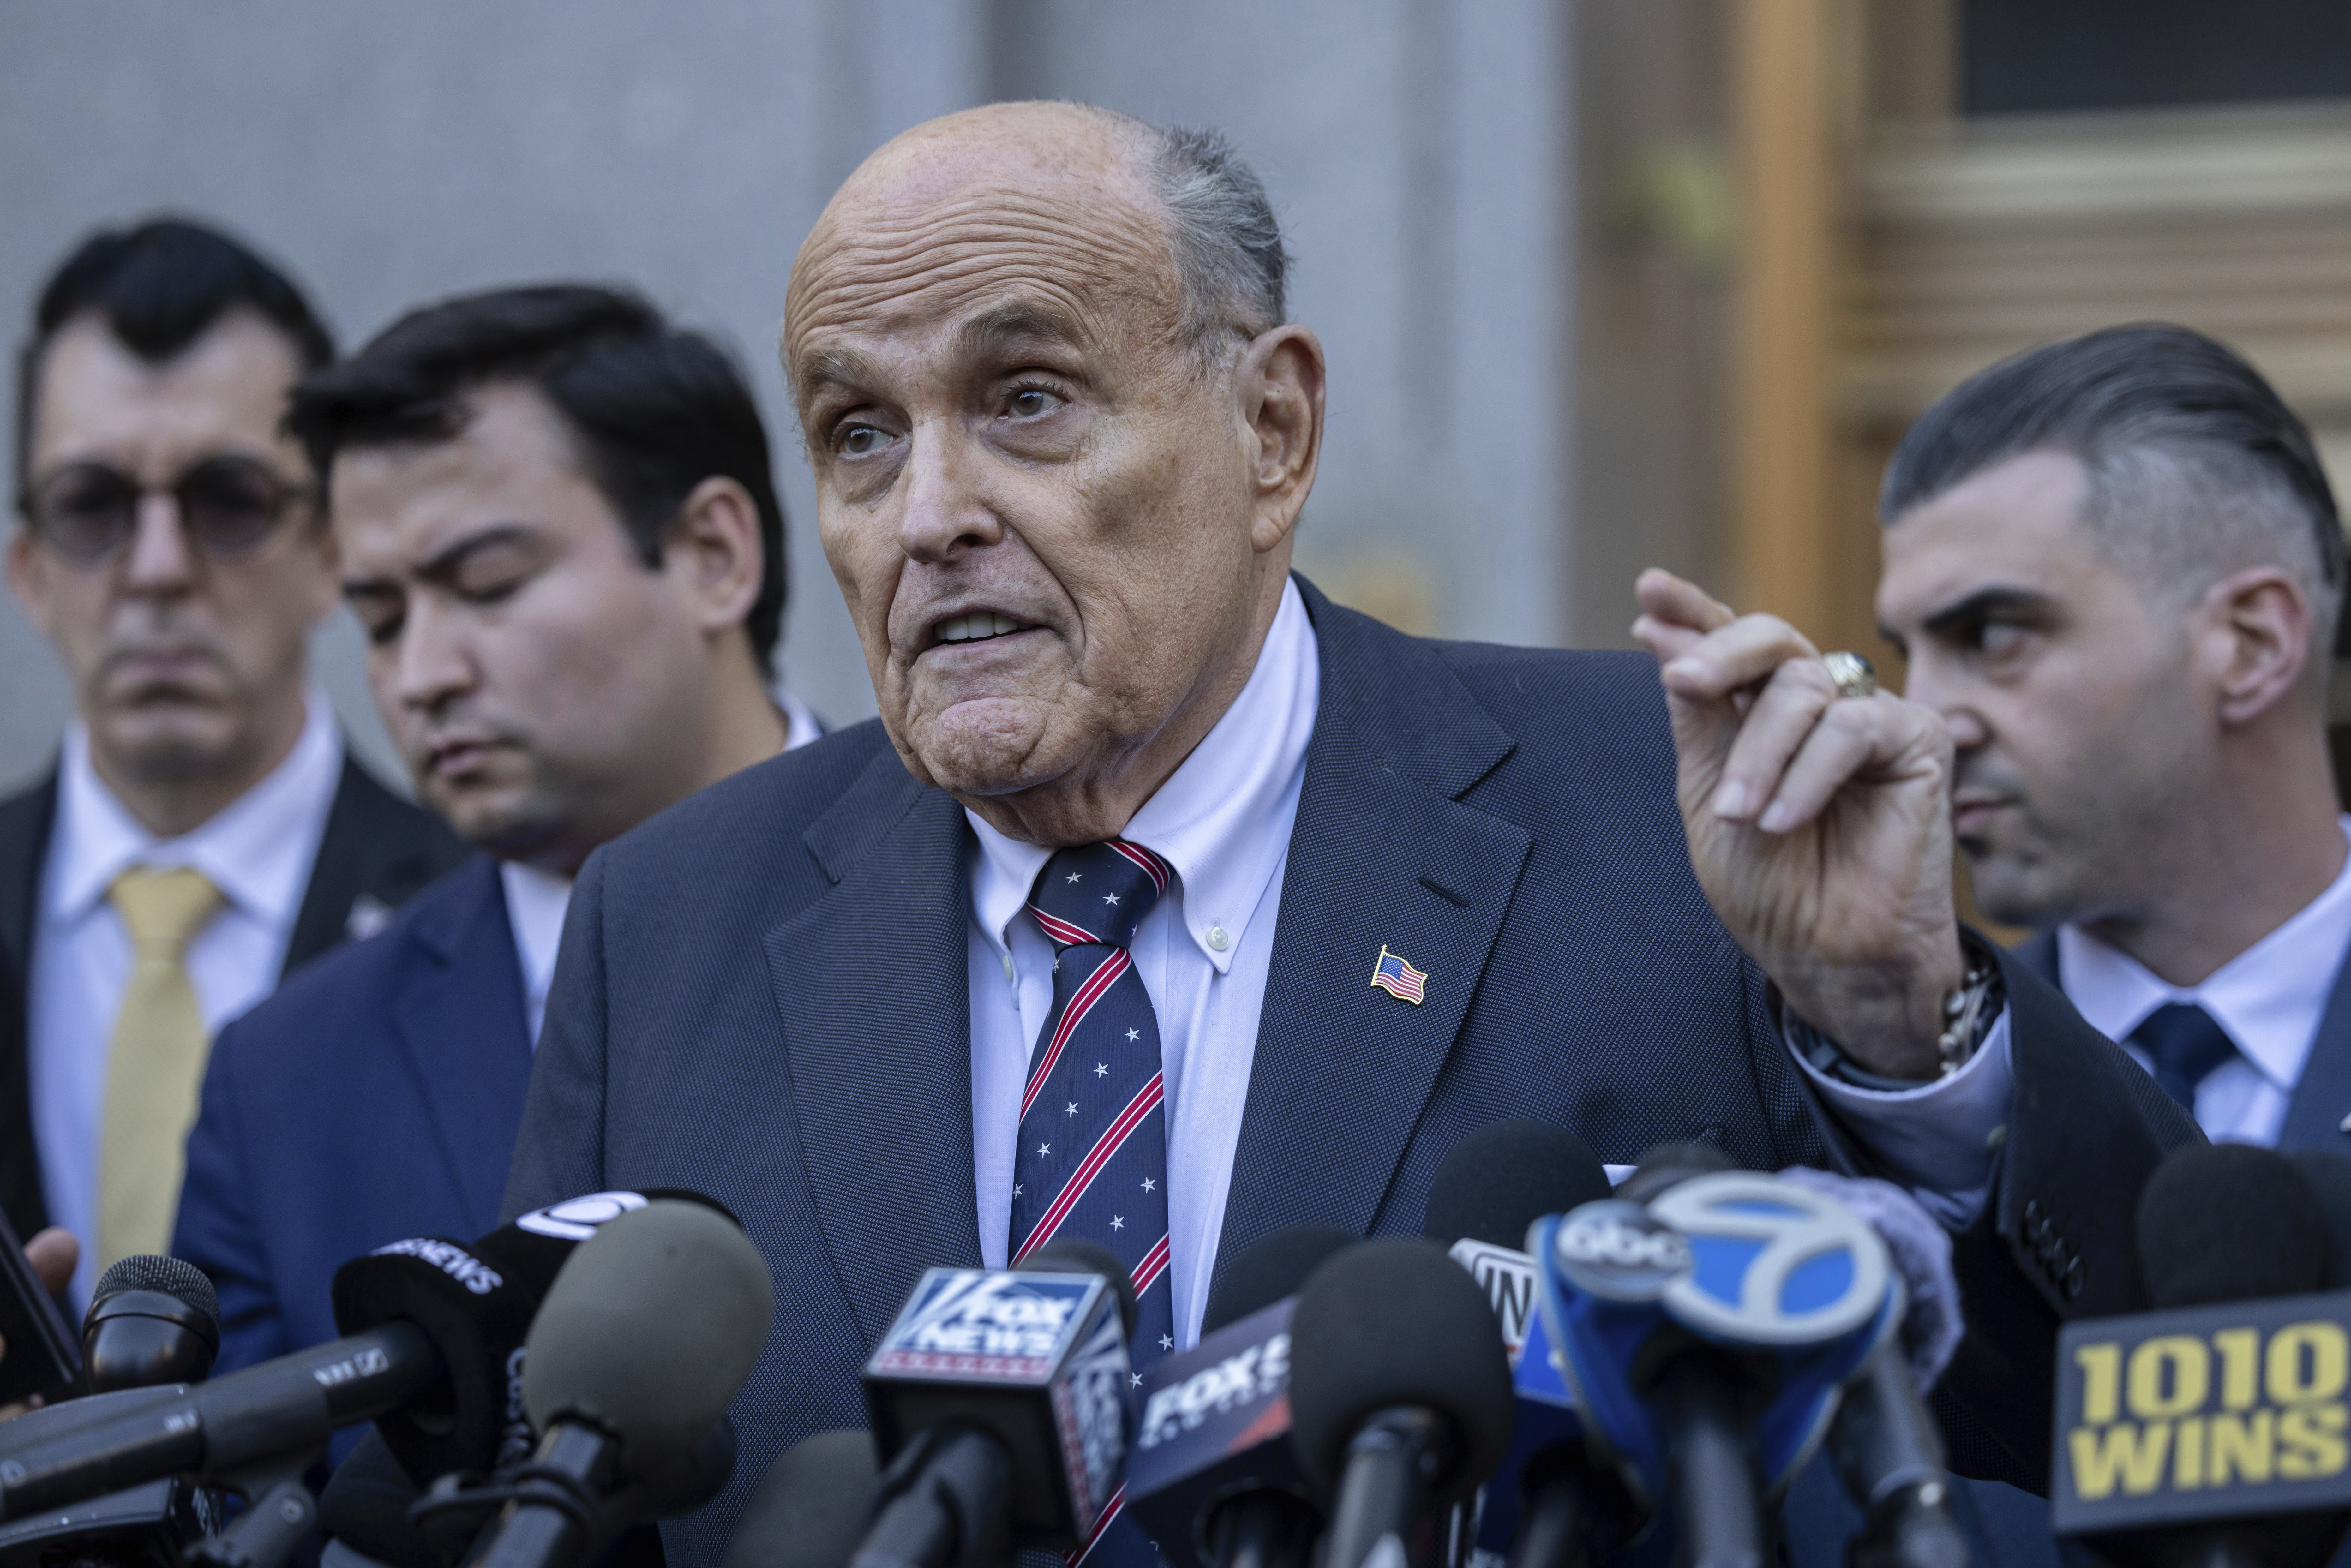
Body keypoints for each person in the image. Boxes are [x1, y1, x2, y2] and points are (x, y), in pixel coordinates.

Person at [498, 104, 2193, 1565]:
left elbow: (2097, 1438)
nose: (930, 512)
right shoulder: (670, 923)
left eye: (1022, 399)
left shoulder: (1662, 805)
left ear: (1272, 432)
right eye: (860, 433)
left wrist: (1899, 1044)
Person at [172, 284, 820, 1380]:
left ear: (714, 554)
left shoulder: (1003, 917)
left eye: (488, 585)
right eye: (381, 622)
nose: (421, 676)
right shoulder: (282, 1082)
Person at [1865, 322, 2348, 1564]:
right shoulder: (1883, 1095)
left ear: (2247, 643)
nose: (1919, 719)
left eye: (1992, 637)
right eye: (1902, 653)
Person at [2, 220, 465, 1308]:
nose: (159, 570)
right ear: (28, 572)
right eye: (91, 507)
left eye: (229, 501)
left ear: (331, 554)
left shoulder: (480, 921)